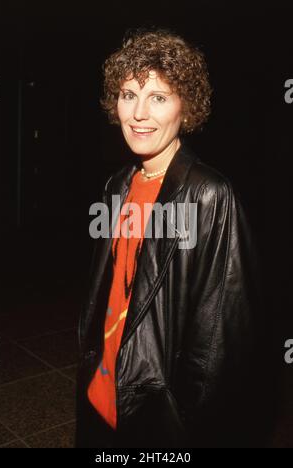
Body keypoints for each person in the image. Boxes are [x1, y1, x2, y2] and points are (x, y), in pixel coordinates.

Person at [76, 27, 269, 448]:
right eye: (129, 95)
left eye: (158, 97)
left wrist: (182, 424)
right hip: (101, 393)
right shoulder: (117, 185)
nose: (139, 113)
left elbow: (222, 341)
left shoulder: (209, 195)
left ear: (187, 107)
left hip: (156, 416)